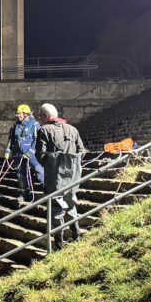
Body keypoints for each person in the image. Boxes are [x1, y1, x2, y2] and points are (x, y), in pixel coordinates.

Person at [35, 103, 86, 249]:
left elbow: (40, 155)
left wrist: (52, 163)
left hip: (55, 176)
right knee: (71, 203)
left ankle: (58, 244)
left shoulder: (44, 130)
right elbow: (81, 150)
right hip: (73, 175)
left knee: (56, 208)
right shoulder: (73, 129)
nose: (40, 120)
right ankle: (76, 235)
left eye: (41, 117)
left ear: (46, 116)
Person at [4, 103, 45, 204]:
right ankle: (25, 194)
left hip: (31, 154)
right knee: (20, 175)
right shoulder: (15, 125)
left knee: (39, 171)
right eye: (18, 114)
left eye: (20, 113)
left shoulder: (34, 124)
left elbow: (37, 140)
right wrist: (8, 151)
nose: (18, 115)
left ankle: (48, 191)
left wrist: (30, 152)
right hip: (18, 153)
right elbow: (12, 139)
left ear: (26, 114)